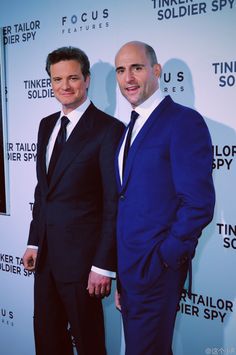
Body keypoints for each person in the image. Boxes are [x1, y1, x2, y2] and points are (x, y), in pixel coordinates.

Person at [114, 41, 215, 355]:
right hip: (130, 270)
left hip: (157, 270)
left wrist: (164, 258)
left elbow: (198, 204)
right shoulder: (127, 127)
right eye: (121, 70)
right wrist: (124, 275)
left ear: (156, 71)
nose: (128, 77)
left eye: (137, 68)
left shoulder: (183, 121)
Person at [22, 46, 124, 355]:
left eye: (73, 78)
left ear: (88, 79)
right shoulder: (45, 125)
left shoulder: (109, 130)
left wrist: (104, 266)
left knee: (90, 343)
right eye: (57, 79)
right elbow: (44, 191)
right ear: (50, 82)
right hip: (46, 260)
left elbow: (112, 203)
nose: (65, 86)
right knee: (48, 340)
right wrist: (34, 242)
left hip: (84, 265)